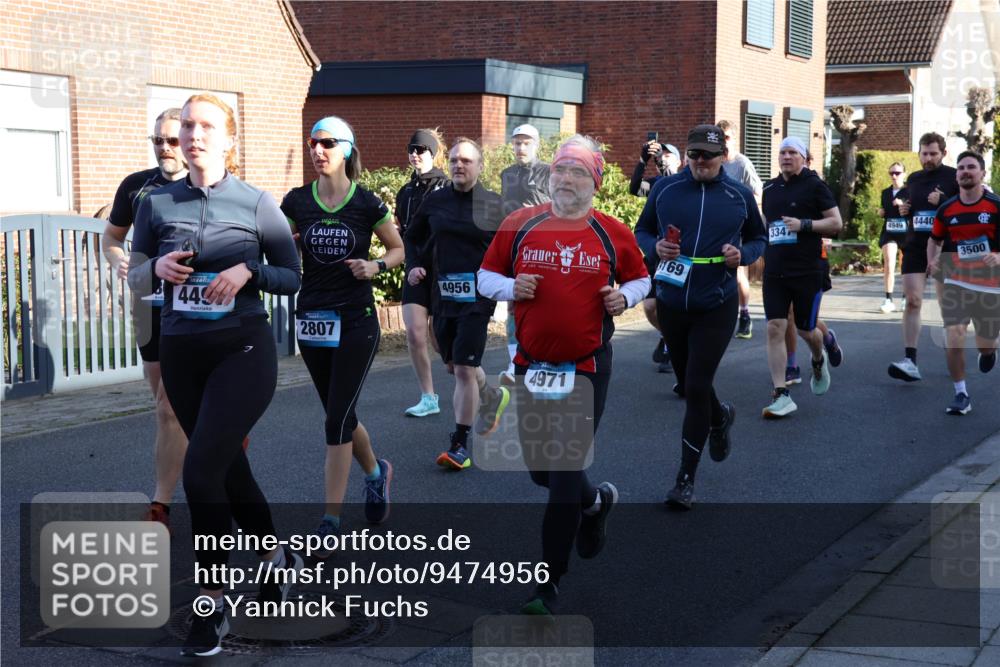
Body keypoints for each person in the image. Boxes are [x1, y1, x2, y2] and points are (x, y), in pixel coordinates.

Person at [128, 94, 302, 657]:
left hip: (244, 350)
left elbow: (291, 276)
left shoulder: (256, 203)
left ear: (229, 140)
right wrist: (152, 267)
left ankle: (213, 604)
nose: (192, 135)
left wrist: (249, 269)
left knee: (201, 472)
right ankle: (275, 555)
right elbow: (134, 277)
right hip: (182, 351)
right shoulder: (155, 204)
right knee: (230, 471)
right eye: (186, 126)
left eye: (205, 127)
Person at [479, 135, 650, 613]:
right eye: (560, 170)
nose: (566, 179)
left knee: (561, 476)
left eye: (578, 172)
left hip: (587, 367)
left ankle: (547, 585)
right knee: (541, 471)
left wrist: (626, 297)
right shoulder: (520, 223)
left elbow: (641, 277)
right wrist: (512, 285)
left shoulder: (612, 231)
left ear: (593, 182)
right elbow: (484, 276)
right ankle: (595, 503)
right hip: (531, 366)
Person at [281, 116, 404, 552]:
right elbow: (276, 243)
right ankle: (376, 474)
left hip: (355, 320)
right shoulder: (296, 200)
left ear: (347, 149)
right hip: (313, 319)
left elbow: (398, 249)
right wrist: (289, 242)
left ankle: (330, 519)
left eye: (328, 143)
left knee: (335, 419)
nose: (317, 150)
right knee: (343, 414)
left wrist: (375, 266)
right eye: (313, 143)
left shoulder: (367, 204)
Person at [636, 123, 767, 509]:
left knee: (695, 385)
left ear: (722, 157)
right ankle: (719, 416)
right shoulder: (666, 188)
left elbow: (759, 239)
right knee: (689, 378)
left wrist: (741, 255)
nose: (699, 162)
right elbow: (642, 231)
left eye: (706, 156)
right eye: (693, 155)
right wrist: (654, 246)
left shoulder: (739, 195)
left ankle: (685, 479)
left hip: (716, 301)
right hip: (672, 300)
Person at [102, 108, 190, 529]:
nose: (165, 148)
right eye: (158, 140)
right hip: (148, 307)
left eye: (172, 140)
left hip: (189, 307)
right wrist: (119, 260)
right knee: (163, 406)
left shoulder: (201, 187)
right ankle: (212, 436)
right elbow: (112, 237)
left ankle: (161, 504)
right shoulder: (136, 187)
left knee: (171, 406)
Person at [404, 138, 509, 470]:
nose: (458, 165)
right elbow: (412, 235)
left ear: (479, 166)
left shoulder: (494, 204)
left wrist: (505, 287)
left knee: (464, 368)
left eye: (466, 160)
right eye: (453, 160)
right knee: (453, 365)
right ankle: (492, 396)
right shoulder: (435, 202)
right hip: (443, 294)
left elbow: (509, 249)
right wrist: (414, 265)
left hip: (479, 297)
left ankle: (460, 445)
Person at [760, 137, 843, 418]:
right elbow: (766, 226)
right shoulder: (769, 188)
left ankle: (818, 358)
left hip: (808, 270)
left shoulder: (815, 185)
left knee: (807, 331)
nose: (785, 156)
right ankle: (781, 393)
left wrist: (804, 225)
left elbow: (836, 223)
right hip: (775, 270)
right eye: (782, 152)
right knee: (775, 326)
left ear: (804, 158)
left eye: (792, 152)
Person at [926, 151, 1000, 415]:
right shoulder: (947, 209)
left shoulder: (995, 206)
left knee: (985, 343)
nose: (965, 171)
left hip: (990, 286)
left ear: (982, 173)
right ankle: (961, 393)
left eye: (971, 167)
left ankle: (989, 352)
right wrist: (933, 261)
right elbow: (934, 239)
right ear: (956, 175)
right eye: (961, 168)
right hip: (956, 281)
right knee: (954, 335)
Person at [888, 132, 958, 382]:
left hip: (945, 247)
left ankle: (955, 358)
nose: (928, 158)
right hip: (916, 245)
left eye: (933, 154)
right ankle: (910, 360)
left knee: (946, 307)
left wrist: (945, 201)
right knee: (913, 300)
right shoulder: (914, 179)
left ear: (943, 153)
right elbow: (915, 210)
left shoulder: (953, 177)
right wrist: (907, 210)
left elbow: (963, 207)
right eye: (924, 153)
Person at [397, 128, 449, 417]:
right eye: (411, 149)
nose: (415, 155)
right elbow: (406, 234)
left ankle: (478, 385)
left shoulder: (446, 187)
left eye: (421, 150)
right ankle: (428, 397)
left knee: (442, 343)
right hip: (414, 269)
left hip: (441, 270)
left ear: (433, 153)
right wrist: (412, 264)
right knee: (416, 334)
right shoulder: (404, 192)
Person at [499, 124, 551, 384]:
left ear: (537, 145)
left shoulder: (549, 172)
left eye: (526, 143)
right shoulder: (506, 173)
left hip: (543, 246)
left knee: (542, 304)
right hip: (514, 246)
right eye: (517, 142)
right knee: (512, 305)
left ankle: (544, 358)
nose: (521, 147)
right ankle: (513, 362)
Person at [629, 138, 682, 373]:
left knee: (673, 304)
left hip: (678, 252)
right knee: (650, 305)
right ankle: (668, 335)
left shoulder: (682, 183)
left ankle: (675, 345)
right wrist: (643, 160)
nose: (664, 157)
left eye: (669, 155)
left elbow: (672, 181)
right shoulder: (656, 183)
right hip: (655, 251)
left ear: (680, 162)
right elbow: (634, 188)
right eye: (662, 154)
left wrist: (662, 163)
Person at [717, 120, 764, 340]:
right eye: (720, 137)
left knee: (736, 271)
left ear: (734, 138)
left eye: (727, 137)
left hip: (738, 223)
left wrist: (740, 206)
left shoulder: (742, 164)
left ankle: (744, 314)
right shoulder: (715, 163)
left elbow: (758, 194)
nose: (724, 142)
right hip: (716, 224)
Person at [877, 162, 909, 313]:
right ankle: (888, 299)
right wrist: (881, 211)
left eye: (897, 173)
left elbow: (914, 210)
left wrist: (902, 204)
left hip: (907, 232)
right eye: (891, 173)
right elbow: (883, 209)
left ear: (904, 174)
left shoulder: (910, 191)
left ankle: (905, 298)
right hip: (889, 231)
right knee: (889, 262)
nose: (894, 176)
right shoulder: (885, 192)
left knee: (906, 266)